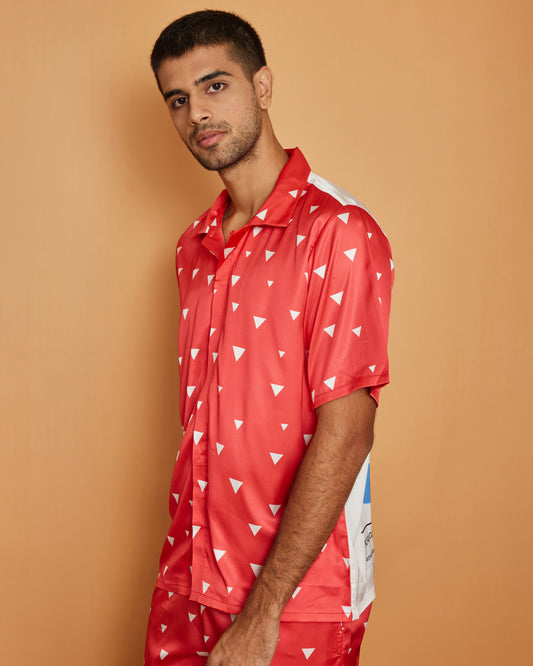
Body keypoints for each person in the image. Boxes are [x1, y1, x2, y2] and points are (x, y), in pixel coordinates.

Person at [144, 10, 393, 666]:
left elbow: (348, 432)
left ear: (262, 86)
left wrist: (263, 613)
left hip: (294, 601)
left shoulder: (339, 231)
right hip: (187, 580)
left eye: (215, 85)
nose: (197, 112)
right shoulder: (193, 247)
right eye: (178, 99)